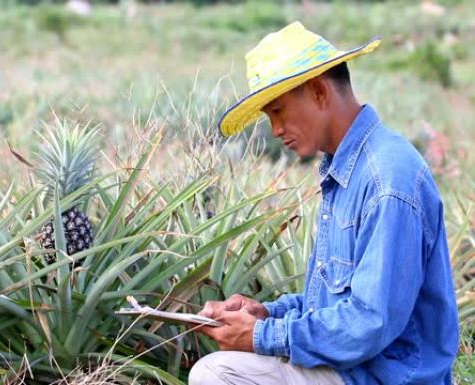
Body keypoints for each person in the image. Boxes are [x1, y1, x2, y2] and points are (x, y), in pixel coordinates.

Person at [189, 21, 459, 385]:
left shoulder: (386, 179)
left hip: (380, 378)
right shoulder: (350, 168)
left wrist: (260, 336)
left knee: (217, 374)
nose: (275, 130)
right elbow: (332, 305)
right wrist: (265, 314)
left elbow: (369, 323)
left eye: (278, 111)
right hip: (354, 371)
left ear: (317, 92)